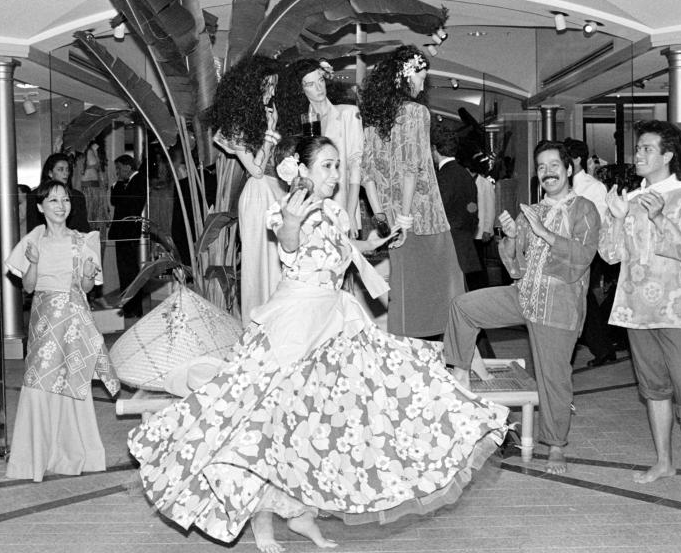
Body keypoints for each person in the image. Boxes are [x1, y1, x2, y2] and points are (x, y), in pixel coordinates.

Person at [128, 136, 510, 553]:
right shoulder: (288, 211)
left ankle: (302, 513)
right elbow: (289, 242)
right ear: (303, 170)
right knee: (264, 421)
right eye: (326, 166)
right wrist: (292, 220)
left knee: (321, 418)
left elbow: (348, 248)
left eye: (337, 166)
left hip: (335, 319)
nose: (335, 175)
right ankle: (264, 525)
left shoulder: (334, 213)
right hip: (295, 324)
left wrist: (381, 241)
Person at [443, 140, 599, 474]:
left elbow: (583, 258)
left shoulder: (584, 209)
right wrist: (513, 236)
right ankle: (460, 371)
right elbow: (516, 266)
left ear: (569, 169)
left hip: (559, 306)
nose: (547, 173)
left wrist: (544, 233)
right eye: (541, 167)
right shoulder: (532, 211)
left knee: (554, 378)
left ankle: (556, 445)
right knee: (464, 306)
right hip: (525, 295)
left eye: (554, 166)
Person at [599, 120, 681, 492]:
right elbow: (610, 254)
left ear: (668, 155)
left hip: (675, 310)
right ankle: (664, 461)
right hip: (635, 309)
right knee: (653, 389)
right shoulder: (630, 200)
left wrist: (660, 217)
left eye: (647, 148)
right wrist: (615, 220)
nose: (639, 154)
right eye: (639, 148)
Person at [5, 179, 119, 481]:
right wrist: (32, 263)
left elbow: (85, 287)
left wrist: (85, 274)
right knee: (38, 381)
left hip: (73, 319)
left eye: (65, 199)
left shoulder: (84, 241)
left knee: (73, 382)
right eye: (53, 200)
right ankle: (36, 457)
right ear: (41, 207)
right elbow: (28, 287)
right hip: (44, 321)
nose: (61, 206)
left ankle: (74, 453)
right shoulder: (33, 240)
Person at [359, 45, 464, 337]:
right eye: (421, 76)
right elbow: (412, 168)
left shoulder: (373, 120)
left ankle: (407, 361)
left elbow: (366, 177)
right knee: (449, 295)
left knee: (405, 295)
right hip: (424, 218)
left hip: (393, 224)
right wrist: (405, 217)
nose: (423, 84)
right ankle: (461, 364)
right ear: (406, 76)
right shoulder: (417, 113)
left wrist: (385, 220)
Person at [209, 55, 284, 325]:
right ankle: (256, 325)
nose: (272, 92)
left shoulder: (266, 115)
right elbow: (256, 169)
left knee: (277, 260)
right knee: (257, 262)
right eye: (268, 86)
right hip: (257, 195)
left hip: (277, 191)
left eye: (274, 86)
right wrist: (271, 132)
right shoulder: (236, 124)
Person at [279, 58, 364, 235]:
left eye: (320, 81)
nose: (319, 88)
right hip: (313, 209)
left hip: (343, 200)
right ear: (301, 89)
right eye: (310, 84)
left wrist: (350, 212)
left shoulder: (349, 113)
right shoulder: (303, 122)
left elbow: (356, 165)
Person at [563, 137, 617, 367]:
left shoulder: (593, 187)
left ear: (576, 159)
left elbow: (600, 222)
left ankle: (602, 347)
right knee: (580, 298)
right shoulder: (563, 184)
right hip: (568, 250)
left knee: (583, 297)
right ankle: (598, 345)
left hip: (588, 250)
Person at [431, 124, 482, 283]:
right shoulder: (466, 175)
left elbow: (438, 215)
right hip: (465, 247)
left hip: (447, 249)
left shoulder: (442, 177)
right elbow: (473, 215)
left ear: (434, 148)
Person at [108, 153, 147, 317]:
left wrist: (117, 185)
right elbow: (115, 201)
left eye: (118, 168)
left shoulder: (137, 182)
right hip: (124, 232)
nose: (117, 172)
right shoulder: (128, 183)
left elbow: (122, 202)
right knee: (125, 271)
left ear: (128, 167)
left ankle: (133, 308)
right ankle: (130, 308)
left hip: (128, 232)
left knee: (129, 271)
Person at [27, 153, 91, 233]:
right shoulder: (35, 195)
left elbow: (83, 227)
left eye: (67, 170)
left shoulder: (77, 196)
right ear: (50, 173)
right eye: (60, 169)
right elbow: (33, 228)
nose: (66, 173)